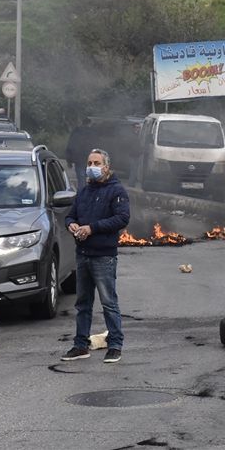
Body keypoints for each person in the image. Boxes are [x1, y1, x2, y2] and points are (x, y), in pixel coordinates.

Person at [61, 148, 130, 364]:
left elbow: (122, 218)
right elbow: (70, 215)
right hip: (83, 254)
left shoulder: (116, 190)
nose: (92, 167)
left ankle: (115, 345)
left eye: (96, 163)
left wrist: (93, 228)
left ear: (106, 167)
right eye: (90, 163)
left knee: (109, 303)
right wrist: (71, 224)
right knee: (83, 303)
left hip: (103, 256)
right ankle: (81, 345)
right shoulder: (84, 191)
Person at [65, 118, 94, 188]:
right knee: (90, 179)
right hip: (90, 159)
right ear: (89, 124)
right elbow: (97, 146)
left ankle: (82, 192)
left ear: (82, 123)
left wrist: (69, 160)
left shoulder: (76, 131)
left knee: (81, 179)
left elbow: (70, 145)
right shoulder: (93, 132)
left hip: (78, 158)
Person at [126, 122, 142, 188]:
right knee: (133, 171)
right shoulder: (133, 136)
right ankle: (131, 185)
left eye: (139, 127)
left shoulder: (137, 135)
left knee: (134, 171)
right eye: (137, 127)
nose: (138, 129)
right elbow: (133, 147)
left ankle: (131, 185)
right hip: (133, 156)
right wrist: (139, 152)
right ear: (134, 128)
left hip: (135, 155)